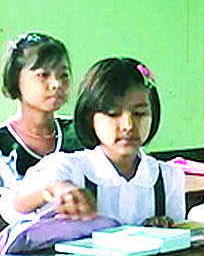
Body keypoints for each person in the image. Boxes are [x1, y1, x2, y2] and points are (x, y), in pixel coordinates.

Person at [9, 58, 184, 226]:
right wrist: (55, 189)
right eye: (112, 114)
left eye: (139, 114)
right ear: (89, 117)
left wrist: (163, 228)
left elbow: (180, 236)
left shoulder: (167, 178)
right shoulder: (68, 168)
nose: (128, 125)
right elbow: (17, 203)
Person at [0, 32, 82, 225]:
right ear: (15, 78)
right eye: (43, 75)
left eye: (63, 75)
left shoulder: (81, 134)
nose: (56, 84)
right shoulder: (3, 142)